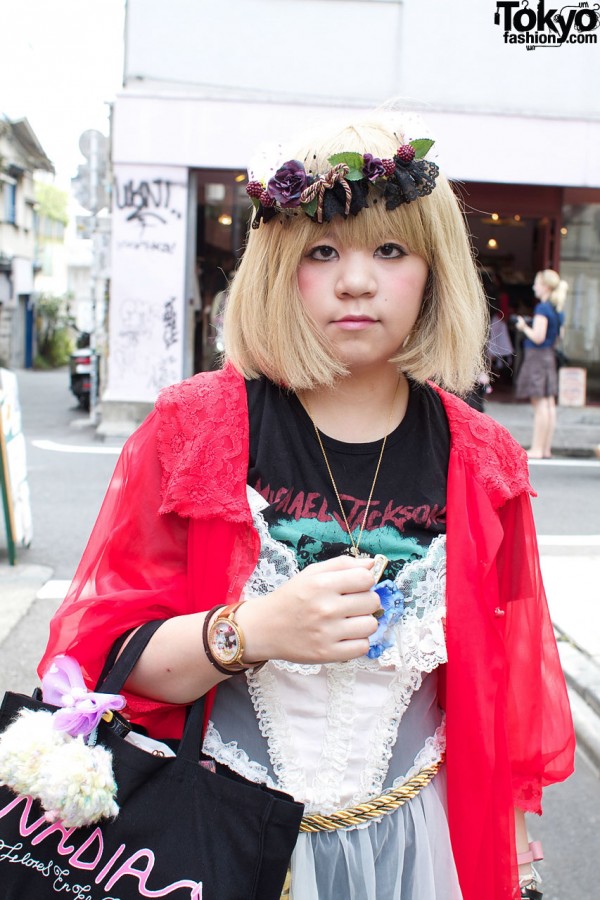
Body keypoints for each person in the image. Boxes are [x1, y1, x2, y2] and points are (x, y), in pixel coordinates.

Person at [39, 111, 574, 900]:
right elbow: (97, 661)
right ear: (279, 267)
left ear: (434, 271)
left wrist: (511, 862)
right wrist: (250, 632)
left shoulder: (485, 462)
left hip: (418, 853)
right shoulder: (195, 428)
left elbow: (500, 694)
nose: (356, 281)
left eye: (390, 250)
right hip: (214, 844)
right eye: (322, 251)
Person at [514, 270, 569, 459]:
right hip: (549, 356)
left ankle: (537, 448)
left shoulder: (542, 309)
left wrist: (523, 328)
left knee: (540, 404)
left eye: (536, 283)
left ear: (545, 286)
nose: (534, 286)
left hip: (537, 356)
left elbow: (537, 337)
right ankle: (546, 449)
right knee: (549, 403)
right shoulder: (557, 309)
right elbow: (559, 336)